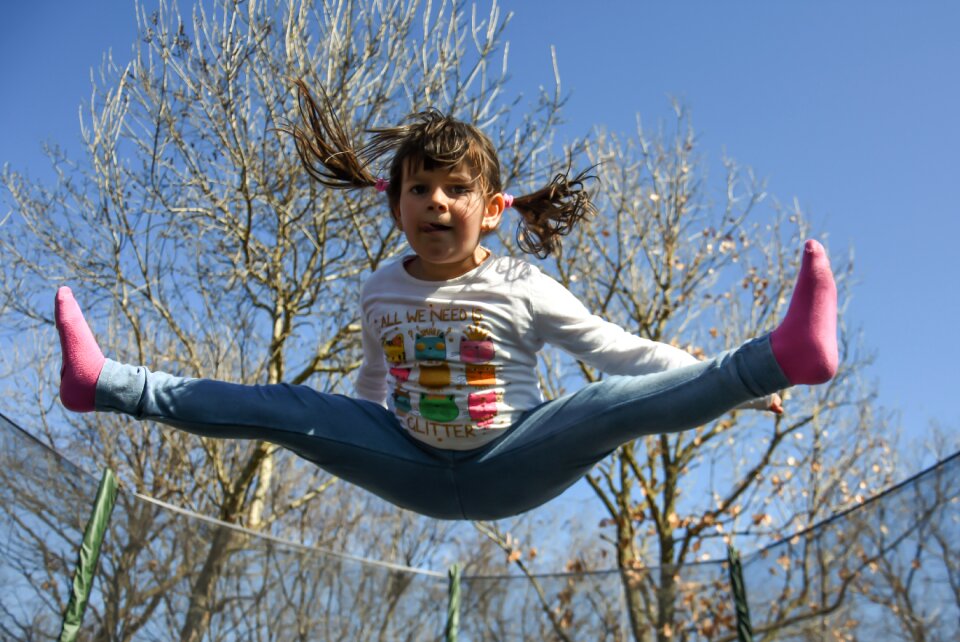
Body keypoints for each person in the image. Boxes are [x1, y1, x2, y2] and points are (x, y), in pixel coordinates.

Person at [54, 82, 837, 520]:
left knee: (612, 403)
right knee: (286, 408)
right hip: (411, 462)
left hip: (514, 459)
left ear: (492, 209)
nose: (436, 203)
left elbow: (615, 349)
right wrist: (345, 433)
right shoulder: (379, 288)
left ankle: (775, 360)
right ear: (393, 203)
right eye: (419, 188)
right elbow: (368, 386)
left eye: (455, 189)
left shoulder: (519, 285)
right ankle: (104, 386)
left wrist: (717, 387)